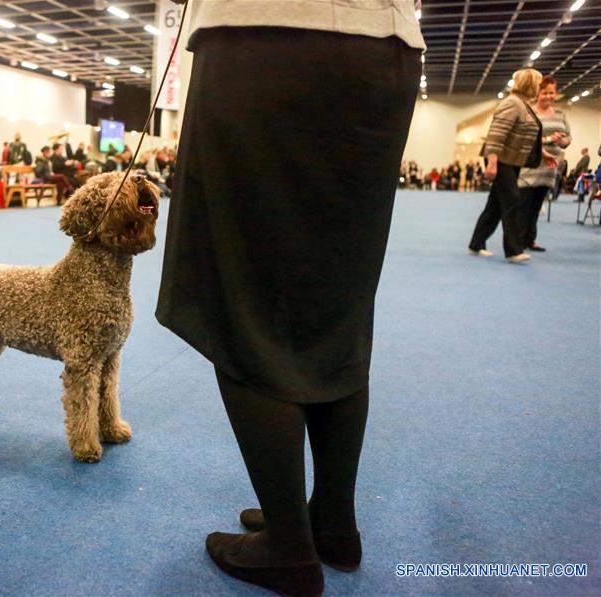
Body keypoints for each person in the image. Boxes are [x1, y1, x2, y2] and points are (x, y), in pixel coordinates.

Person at [155, 1, 425, 595]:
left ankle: (286, 544)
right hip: (386, 50)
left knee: (244, 298)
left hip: (264, 37)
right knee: (339, 308)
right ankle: (332, 524)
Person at [468, 69, 555, 263]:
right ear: (529, 84)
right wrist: (492, 163)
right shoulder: (512, 104)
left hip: (511, 161)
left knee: (495, 206)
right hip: (500, 160)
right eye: (537, 84)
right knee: (513, 201)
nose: (539, 88)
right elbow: (496, 135)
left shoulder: (522, 104)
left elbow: (525, 136)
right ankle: (514, 250)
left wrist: (543, 153)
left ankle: (476, 243)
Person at [517, 76, 570, 252]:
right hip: (530, 167)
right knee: (524, 206)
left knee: (536, 207)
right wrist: (549, 139)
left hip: (549, 169)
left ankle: (530, 240)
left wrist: (563, 141)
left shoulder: (561, 115)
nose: (548, 96)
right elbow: (526, 138)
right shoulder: (529, 111)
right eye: (544, 92)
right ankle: (517, 241)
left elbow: (568, 137)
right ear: (537, 93)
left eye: (551, 93)